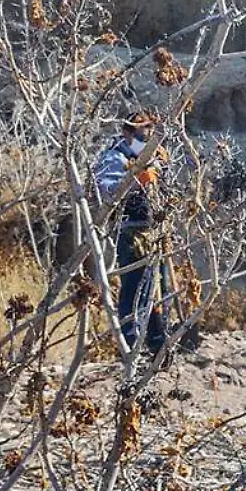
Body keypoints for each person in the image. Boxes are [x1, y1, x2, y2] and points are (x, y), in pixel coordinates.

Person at [93, 111, 169, 357]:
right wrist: (136, 180)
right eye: (141, 130)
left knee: (157, 289)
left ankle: (157, 344)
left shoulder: (150, 155)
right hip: (131, 230)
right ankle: (130, 346)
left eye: (148, 130)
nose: (145, 135)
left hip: (154, 231)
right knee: (135, 290)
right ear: (126, 132)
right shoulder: (114, 157)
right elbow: (106, 190)